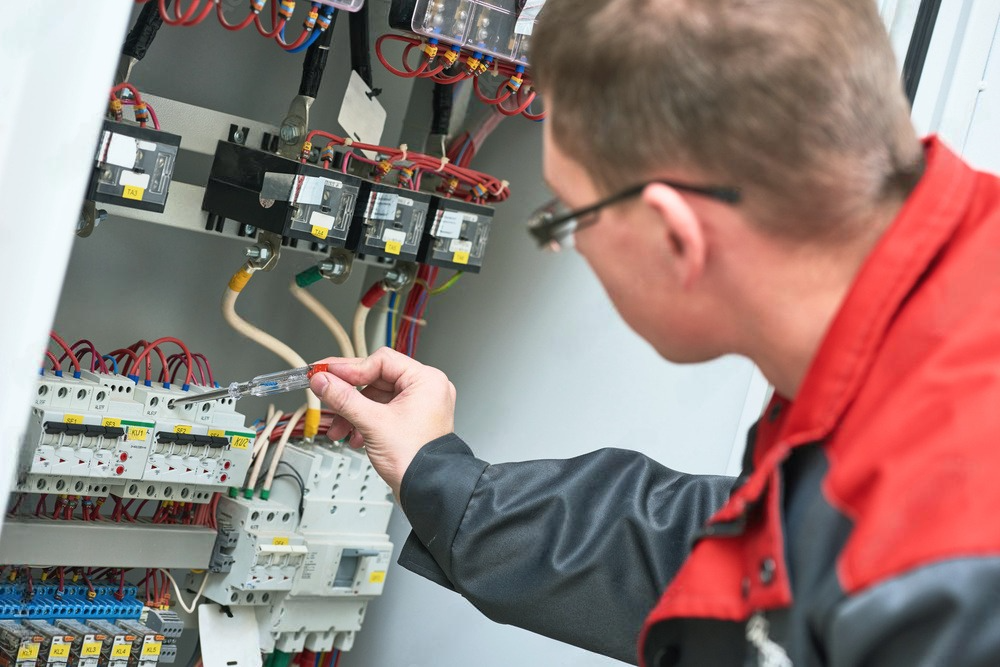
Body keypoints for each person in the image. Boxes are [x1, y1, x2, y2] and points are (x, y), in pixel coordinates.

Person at [308, 0, 1000, 664]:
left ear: (677, 237)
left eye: (569, 215)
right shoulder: (933, 318)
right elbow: (725, 550)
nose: (568, 242)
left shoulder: (940, 561)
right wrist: (441, 474)